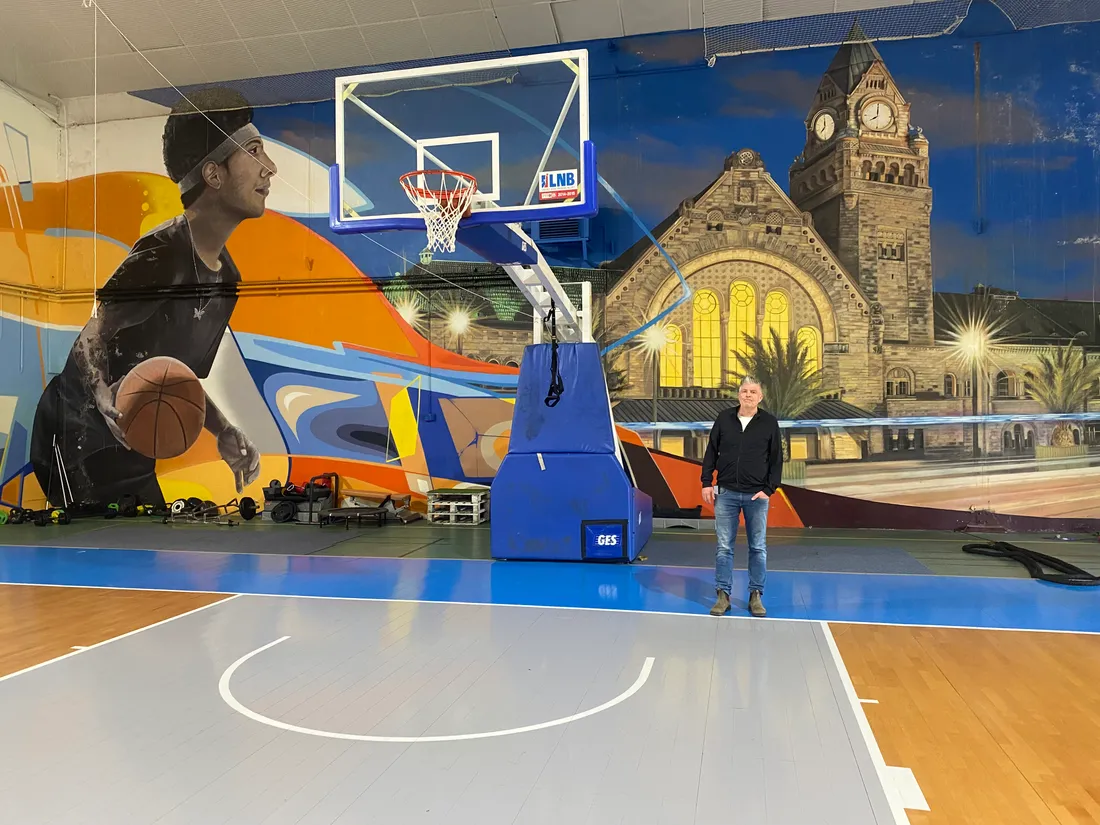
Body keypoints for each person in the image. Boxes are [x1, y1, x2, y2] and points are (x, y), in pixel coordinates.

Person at [30, 88, 274, 510]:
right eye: (254, 153)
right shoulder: (163, 253)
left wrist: (222, 430)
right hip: (75, 437)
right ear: (214, 175)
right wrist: (103, 393)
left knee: (151, 540)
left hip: (132, 443)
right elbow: (94, 333)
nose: (269, 168)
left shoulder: (226, 280)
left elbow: (179, 379)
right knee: (96, 552)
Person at [700, 375, 783, 617]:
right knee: (724, 547)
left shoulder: (769, 423)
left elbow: (776, 459)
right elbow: (711, 452)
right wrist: (707, 482)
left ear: (760, 397)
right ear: (739, 394)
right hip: (725, 493)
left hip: (757, 496)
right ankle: (722, 596)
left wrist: (769, 489)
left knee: (758, 548)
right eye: (744, 390)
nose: (748, 394)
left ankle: (755, 596)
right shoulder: (724, 418)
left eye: (752, 391)